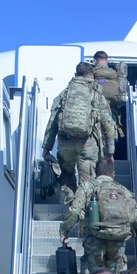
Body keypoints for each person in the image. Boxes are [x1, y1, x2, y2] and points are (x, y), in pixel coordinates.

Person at [42, 63, 116, 199]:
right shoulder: (96, 94)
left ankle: (71, 204)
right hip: (88, 144)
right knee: (87, 183)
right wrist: (110, 152)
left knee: (66, 175)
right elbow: (108, 124)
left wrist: (47, 147)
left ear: (76, 75)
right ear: (91, 75)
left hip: (65, 144)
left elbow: (52, 122)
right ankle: (83, 212)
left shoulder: (65, 93)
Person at [60, 157, 137, 274]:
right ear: (113, 174)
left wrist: (64, 231)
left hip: (94, 239)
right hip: (117, 241)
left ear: (95, 172)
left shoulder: (87, 187)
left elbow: (75, 211)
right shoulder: (123, 191)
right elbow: (136, 219)